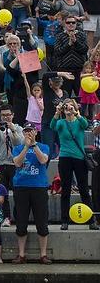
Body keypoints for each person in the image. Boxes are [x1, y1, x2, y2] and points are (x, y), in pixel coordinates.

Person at [50, 98, 98, 230]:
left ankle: (91, 220)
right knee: (65, 189)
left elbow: (85, 124)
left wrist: (76, 112)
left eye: (71, 107)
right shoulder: (61, 122)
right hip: (65, 158)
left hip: (79, 158)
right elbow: (52, 126)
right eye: (66, 107)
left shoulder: (79, 122)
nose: (68, 109)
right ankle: (64, 220)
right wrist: (57, 112)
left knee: (83, 189)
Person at [11, 125, 51, 265]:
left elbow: (43, 160)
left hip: (39, 187)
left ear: (35, 132)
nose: (28, 133)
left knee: (42, 221)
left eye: (31, 131)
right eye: (26, 131)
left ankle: (43, 254)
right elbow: (17, 163)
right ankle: (21, 254)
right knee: (21, 221)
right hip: (21, 187)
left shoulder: (44, 146)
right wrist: (26, 147)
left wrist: (33, 145)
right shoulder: (17, 148)